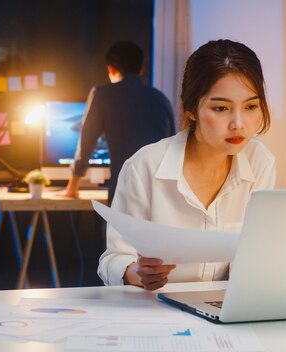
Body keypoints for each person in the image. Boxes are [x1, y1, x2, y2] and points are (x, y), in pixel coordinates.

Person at [98, 39, 276, 291]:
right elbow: (113, 258)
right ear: (190, 108)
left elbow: (255, 255)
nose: (239, 123)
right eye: (221, 108)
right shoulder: (145, 166)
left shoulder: (260, 162)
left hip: (226, 310)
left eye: (250, 106)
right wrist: (136, 272)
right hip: (156, 311)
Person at [64, 41, 175, 203]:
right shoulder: (161, 98)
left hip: (124, 192)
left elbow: (86, 145)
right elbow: (173, 149)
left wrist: (72, 189)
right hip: (160, 196)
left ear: (111, 69)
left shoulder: (102, 95)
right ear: (141, 69)